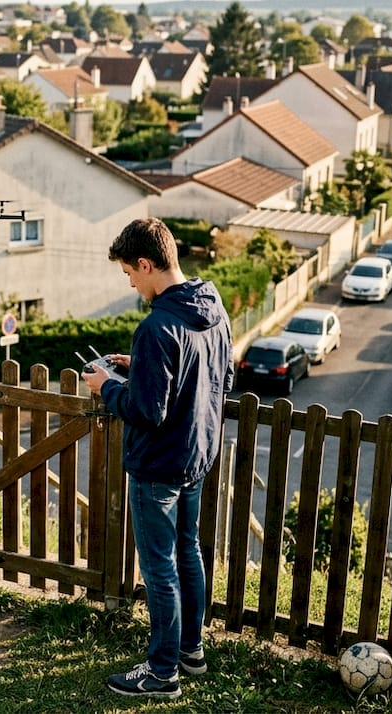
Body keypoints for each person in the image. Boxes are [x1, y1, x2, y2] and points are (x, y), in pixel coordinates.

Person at [82, 218, 233, 699]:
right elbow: (220, 378)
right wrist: (139, 367)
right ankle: (191, 651)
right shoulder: (211, 305)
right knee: (188, 553)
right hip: (198, 455)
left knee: (160, 568)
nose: (130, 283)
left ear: (147, 264)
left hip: (157, 467)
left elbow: (146, 410)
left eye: (130, 273)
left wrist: (106, 386)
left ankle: (162, 670)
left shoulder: (156, 325)